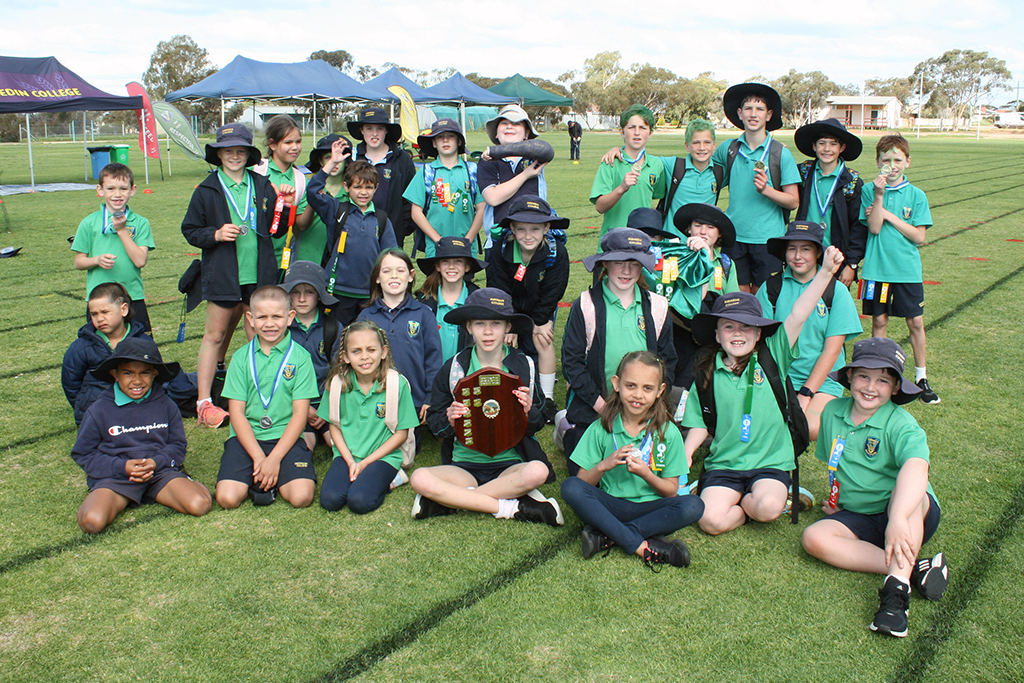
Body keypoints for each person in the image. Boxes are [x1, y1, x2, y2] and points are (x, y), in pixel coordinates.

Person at [682, 247, 844, 536]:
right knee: (710, 522)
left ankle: (771, 496)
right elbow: (697, 424)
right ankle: (740, 505)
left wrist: (826, 273)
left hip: (770, 462)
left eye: (747, 327)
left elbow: (798, 314)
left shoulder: (774, 356)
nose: (737, 334)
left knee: (767, 509)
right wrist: (687, 452)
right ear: (717, 335)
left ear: (759, 334)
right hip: (725, 464)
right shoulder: (706, 372)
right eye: (728, 327)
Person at [801, 337, 948, 638]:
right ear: (850, 378)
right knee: (813, 538)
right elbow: (836, 465)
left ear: (895, 387)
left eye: (882, 380)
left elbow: (917, 469)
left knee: (908, 496)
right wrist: (838, 502)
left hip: (910, 514)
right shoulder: (831, 413)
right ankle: (913, 567)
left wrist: (896, 517)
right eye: (864, 376)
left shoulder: (902, 424)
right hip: (860, 514)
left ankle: (895, 597)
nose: (870, 387)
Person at [411, 288, 561, 526]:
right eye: (480, 323)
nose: (488, 331)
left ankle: (451, 500)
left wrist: (527, 411)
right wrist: (450, 419)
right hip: (463, 465)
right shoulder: (454, 368)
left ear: (507, 327)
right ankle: (511, 506)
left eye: (496, 323)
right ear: (469, 327)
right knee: (419, 478)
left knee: (537, 472)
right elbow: (436, 422)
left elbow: (538, 421)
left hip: (510, 464)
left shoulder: (524, 366)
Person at [180, 123, 285, 428]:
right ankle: (204, 402)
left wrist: (285, 206)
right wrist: (215, 234)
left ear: (249, 154)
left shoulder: (262, 185)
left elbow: (275, 227)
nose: (235, 156)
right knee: (215, 336)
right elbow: (190, 230)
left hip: (259, 274)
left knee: (259, 336)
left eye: (240, 151)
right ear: (219, 154)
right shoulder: (207, 189)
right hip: (224, 274)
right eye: (229, 151)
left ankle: (262, 397)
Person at [561, 351, 704, 570]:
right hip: (612, 505)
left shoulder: (669, 432)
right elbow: (582, 482)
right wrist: (603, 466)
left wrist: (646, 474)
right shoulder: (601, 427)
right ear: (617, 384)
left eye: (647, 388)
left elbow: (670, 492)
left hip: (652, 508)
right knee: (570, 487)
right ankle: (640, 545)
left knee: (694, 505)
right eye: (630, 386)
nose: (638, 395)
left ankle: (608, 534)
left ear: (660, 391)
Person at [560, 228, 676, 474]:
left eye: (634, 264)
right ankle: (568, 431)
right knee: (589, 476)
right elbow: (572, 363)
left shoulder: (657, 306)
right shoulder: (586, 304)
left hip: (642, 407)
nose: (626, 271)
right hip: (597, 407)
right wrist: (603, 408)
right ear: (605, 264)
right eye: (618, 263)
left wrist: (648, 407)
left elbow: (667, 361)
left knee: (647, 472)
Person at [71, 337, 211, 533]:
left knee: (200, 504)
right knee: (92, 521)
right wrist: (123, 467)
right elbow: (83, 453)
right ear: (115, 374)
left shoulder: (167, 404)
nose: (137, 381)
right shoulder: (98, 410)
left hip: (159, 473)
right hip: (117, 478)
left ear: (155, 374)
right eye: (128, 373)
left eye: (144, 373)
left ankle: (166, 489)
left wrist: (156, 462)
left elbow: (178, 445)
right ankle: (120, 497)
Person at [215, 285, 320, 509]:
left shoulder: (300, 358)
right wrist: (259, 458)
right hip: (247, 438)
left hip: (285, 438)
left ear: (290, 317)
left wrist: (274, 459)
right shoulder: (241, 358)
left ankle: (271, 475)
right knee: (227, 499)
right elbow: (237, 414)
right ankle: (262, 475)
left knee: (301, 497)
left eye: (277, 317)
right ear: (250, 319)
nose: (270, 324)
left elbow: (300, 415)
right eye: (262, 317)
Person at [756, 221, 863, 440]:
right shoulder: (771, 288)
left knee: (809, 428)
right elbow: (763, 344)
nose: (798, 256)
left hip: (822, 381)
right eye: (792, 249)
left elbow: (832, 351)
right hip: (780, 377)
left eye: (805, 249)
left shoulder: (836, 291)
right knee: (765, 425)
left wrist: (806, 393)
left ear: (817, 254)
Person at [860, 135, 938, 404]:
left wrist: (889, 214)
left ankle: (921, 377)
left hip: (906, 271)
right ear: (878, 162)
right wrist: (880, 197)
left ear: (907, 161)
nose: (891, 165)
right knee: (879, 321)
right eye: (886, 160)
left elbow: (918, 237)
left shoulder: (916, 195)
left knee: (915, 322)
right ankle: (879, 374)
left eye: (897, 159)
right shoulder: (870, 190)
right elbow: (874, 227)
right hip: (876, 271)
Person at [318, 321, 419, 513]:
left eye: (371, 350)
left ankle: (394, 477)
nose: (365, 357)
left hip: (383, 456)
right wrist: (349, 460)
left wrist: (365, 463)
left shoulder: (397, 384)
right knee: (330, 501)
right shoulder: (337, 385)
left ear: (383, 352)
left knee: (359, 502)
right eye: (356, 351)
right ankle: (359, 475)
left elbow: (401, 434)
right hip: (347, 454)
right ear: (345, 357)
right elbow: (334, 426)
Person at [486, 195, 570, 421]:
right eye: (521, 229)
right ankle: (499, 390)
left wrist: (539, 322)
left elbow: (554, 291)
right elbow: (497, 288)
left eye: (535, 229)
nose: (528, 235)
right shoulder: (500, 250)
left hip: (539, 306)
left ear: (546, 228)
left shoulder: (556, 253)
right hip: (507, 307)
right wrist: (509, 323)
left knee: (543, 338)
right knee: (500, 338)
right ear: (512, 228)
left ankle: (548, 399)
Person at [711, 83, 800, 293]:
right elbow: (708, 177)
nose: (753, 114)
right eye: (748, 109)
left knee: (763, 301)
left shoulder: (780, 154)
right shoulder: (729, 149)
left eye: (760, 109)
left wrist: (766, 190)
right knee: (738, 298)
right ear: (740, 113)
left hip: (768, 240)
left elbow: (793, 201)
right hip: (734, 236)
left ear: (768, 115)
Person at [307, 141, 398, 326]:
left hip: (369, 293)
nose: (363, 192)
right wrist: (332, 163)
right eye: (357, 187)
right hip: (338, 291)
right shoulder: (336, 210)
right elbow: (312, 192)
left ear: (376, 188)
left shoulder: (381, 219)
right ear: (346, 187)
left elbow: (391, 256)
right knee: (338, 339)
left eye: (368, 187)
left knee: (366, 337)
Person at [357, 249, 443, 430]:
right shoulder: (366, 316)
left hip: (414, 401)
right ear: (377, 278)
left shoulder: (424, 314)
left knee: (408, 448)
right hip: (375, 399)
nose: (394, 276)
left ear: (411, 276)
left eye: (400, 270)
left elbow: (433, 360)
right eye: (386, 271)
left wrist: (429, 399)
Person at [71, 162, 154, 332]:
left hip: (132, 297)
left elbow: (140, 261)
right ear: (100, 190)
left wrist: (122, 230)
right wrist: (97, 260)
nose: (117, 194)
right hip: (99, 301)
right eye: (110, 189)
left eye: (123, 188)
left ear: (133, 190)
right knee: (101, 350)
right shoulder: (89, 223)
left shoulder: (141, 223)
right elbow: (79, 262)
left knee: (138, 348)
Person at [601, 118, 720, 235]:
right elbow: (641, 158)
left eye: (707, 142)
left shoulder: (719, 172)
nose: (702, 148)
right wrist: (619, 150)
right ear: (687, 146)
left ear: (714, 145)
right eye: (696, 143)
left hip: (704, 243)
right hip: (673, 243)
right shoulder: (673, 166)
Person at [62, 282, 149, 426]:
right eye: (94, 314)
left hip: (139, 413)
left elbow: (156, 375)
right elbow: (70, 382)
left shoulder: (143, 342)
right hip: (97, 417)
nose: (99, 318)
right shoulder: (81, 346)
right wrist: (84, 405)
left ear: (124, 309)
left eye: (105, 312)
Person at [793, 118, 865, 287]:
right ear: (814, 146)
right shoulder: (802, 173)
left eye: (833, 144)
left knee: (832, 307)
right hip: (803, 255)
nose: (827, 149)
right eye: (822, 143)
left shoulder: (852, 181)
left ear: (842, 147)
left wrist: (851, 264)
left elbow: (859, 227)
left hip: (836, 259)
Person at [402, 118, 485, 257]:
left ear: (459, 141)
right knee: (436, 279)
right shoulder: (426, 172)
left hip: (466, 248)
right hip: (436, 248)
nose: (445, 140)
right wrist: (438, 240)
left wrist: (468, 241)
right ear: (433, 143)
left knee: (464, 279)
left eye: (451, 136)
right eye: (440, 137)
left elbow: (481, 209)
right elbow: (416, 212)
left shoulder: (473, 170)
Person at [281, 260, 341, 451]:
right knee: (305, 446)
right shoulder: (280, 329)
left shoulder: (332, 327)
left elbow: (340, 371)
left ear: (319, 296)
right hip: (291, 402)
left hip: (326, 401)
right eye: (295, 292)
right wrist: (304, 409)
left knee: (337, 444)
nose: (301, 299)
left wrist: (325, 408)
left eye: (309, 292)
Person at [478, 104, 549, 254]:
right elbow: (492, 198)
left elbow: (547, 149)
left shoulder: (535, 158)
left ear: (526, 134)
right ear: (496, 133)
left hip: (533, 239)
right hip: (498, 240)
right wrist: (525, 175)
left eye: (516, 123)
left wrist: (495, 150)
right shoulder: (487, 161)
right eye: (504, 123)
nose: (509, 126)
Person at [590, 104, 666, 237]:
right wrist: (622, 188)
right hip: (613, 242)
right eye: (631, 127)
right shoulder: (609, 162)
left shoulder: (656, 165)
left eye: (642, 128)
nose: (637, 132)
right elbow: (600, 207)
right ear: (622, 132)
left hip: (642, 242)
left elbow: (657, 194)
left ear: (650, 133)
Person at [347, 107, 416, 248]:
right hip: (357, 234)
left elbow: (411, 198)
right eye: (368, 128)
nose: (374, 134)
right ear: (361, 130)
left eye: (379, 128)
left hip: (392, 236)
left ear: (386, 131)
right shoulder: (352, 158)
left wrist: (401, 228)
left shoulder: (402, 159)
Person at [253, 115, 315, 268]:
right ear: (272, 144)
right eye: (288, 142)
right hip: (253, 256)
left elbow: (301, 224)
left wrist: (314, 200)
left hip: (283, 258)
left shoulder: (300, 179)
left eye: (298, 141)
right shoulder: (256, 170)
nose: (295, 147)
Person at [415, 236, 484, 361]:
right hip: (433, 375)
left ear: (467, 267)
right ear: (437, 266)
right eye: (445, 261)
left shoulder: (478, 301)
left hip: (467, 374)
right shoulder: (424, 302)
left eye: (458, 261)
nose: (451, 266)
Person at [298, 133, 351, 264]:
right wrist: (314, 198)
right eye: (328, 157)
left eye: (340, 157)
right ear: (320, 161)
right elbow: (301, 226)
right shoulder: (308, 185)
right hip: (309, 255)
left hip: (341, 258)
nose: (335, 161)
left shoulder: (353, 190)